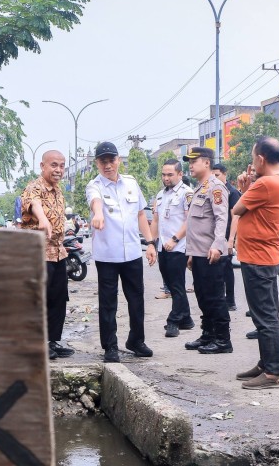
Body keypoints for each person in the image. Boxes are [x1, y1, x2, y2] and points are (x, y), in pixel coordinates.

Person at [86, 141, 157, 363]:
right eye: (103, 161)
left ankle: (136, 340)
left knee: (136, 299)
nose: (108, 165)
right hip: (107, 255)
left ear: (118, 160)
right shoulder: (94, 186)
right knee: (108, 302)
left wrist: (151, 243)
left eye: (111, 160)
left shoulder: (131, 183)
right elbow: (96, 203)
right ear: (97, 164)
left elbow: (139, 215)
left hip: (133, 253)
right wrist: (98, 214)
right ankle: (110, 346)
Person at [233, 138, 279, 388]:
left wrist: (245, 187)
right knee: (266, 314)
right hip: (266, 255)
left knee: (265, 316)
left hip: (258, 257)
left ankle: (273, 373)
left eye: (253, 156)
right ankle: (266, 363)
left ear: (260, 159)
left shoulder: (266, 183)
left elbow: (237, 209)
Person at [21, 150, 74, 361]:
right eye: (54, 165)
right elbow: (33, 202)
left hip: (58, 252)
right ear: (42, 166)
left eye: (62, 166)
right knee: (38, 299)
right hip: (38, 252)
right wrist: (42, 218)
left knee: (58, 298)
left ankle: (52, 341)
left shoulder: (58, 190)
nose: (58, 170)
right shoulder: (35, 187)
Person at [182, 147, 232, 354]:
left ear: (207, 163)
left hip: (212, 253)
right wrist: (192, 252)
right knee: (203, 296)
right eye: (190, 162)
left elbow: (222, 218)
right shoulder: (199, 188)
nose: (190, 165)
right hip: (199, 252)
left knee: (215, 297)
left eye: (194, 161)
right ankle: (208, 334)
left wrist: (218, 246)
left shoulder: (216, 187)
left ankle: (222, 340)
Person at [150, 159, 194, 338]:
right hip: (163, 247)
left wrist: (175, 240)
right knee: (172, 285)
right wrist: (152, 244)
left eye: (170, 174)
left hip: (178, 247)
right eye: (163, 174)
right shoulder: (161, 194)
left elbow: (189, 220)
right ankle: (186, 319)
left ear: (180, 174)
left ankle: (173, 321)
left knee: (176, 285)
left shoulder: (187, 193)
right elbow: (156, 221)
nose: (166, 178)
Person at [213, 162, 241, 311]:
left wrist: (231, 240)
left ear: (225, 174)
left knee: (227, 269)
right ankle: (220, 299)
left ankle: (230, 301)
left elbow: (235, 216)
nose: (214, 178)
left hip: (226, 236)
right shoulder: (214, 190)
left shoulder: (232, 192)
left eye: (217, 175)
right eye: (212, 175)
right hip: (216, 237)